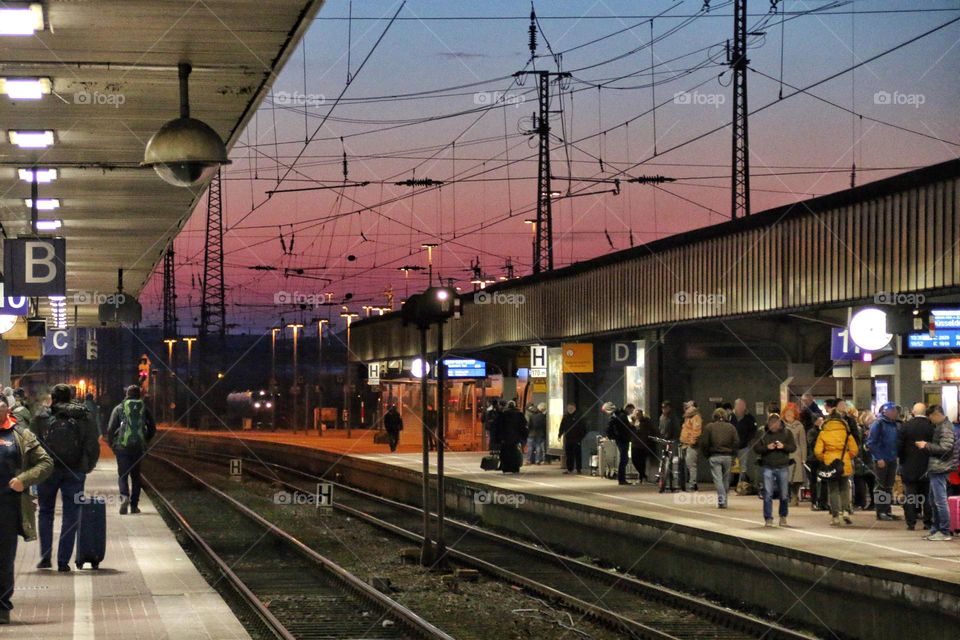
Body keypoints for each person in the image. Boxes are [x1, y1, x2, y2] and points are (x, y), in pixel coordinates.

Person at [31, 383, 100, 572]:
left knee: (45, 511)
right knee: (71, 515)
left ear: (53, 398)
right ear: (71, 397)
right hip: (75, 470)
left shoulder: (41, 416)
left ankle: (45, 558)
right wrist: (88, 466)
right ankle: (63, 562)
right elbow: (92, 443)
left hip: (48, 470)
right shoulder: (83, 416)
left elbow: (30, 444)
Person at [0, 400, 53, 625]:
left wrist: (24, 480)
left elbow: (46, 462)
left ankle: (2, 607)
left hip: (8, 508)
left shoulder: (21, 435)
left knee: (3, 559)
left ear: (7, 410)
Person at [107, 385, 157, 514]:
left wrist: (112, 444)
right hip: (138, 448)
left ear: (126, 395)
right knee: (136, 476)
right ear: (139, 395)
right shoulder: (144, 408)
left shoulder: (119, 408)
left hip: (122, 447)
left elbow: (111, 428)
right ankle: (134, 506)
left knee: (123, 476)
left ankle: (124, 497)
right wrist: (145, 440)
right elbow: (153, 428)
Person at [916, 405, 958, 541]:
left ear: (936, 414)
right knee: (933, 500)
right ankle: (936, 529)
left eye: (930, 417)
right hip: (937, 468)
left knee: (940, 501)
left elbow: (946, 448)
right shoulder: (943, 427)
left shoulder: (945, 428)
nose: (930, 420)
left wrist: (926, 445)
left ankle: (944, 531)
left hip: (941, 468)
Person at [814, 404, 859, 526]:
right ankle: (846, 511)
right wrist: (847, 457)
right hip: (844, 462)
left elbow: (817, 451)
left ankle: (835, 516)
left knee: (833, 490)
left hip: (830, 463)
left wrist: (825, 458)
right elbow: (854, 450)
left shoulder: (823, 433)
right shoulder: (846, 432)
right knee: (844, 488)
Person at [754, 413, 797, 526]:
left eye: (775, 423)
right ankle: (768, 518)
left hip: (783, 466)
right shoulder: (762, 432)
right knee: (767, 494)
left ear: (779, 423)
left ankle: (783, 516)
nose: (773, 426)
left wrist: (783, 446)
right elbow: (756, 448)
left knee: (784, 494)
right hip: (768, 466)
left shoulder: (787, 433)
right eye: (771, 423)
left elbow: (793, 448)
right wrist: (767, 448)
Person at [899, 403, 934, 531]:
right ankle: (928, 522)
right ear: (925, 412)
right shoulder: (932, 427)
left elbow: (899, 447)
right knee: (927, 496)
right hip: (928, 466)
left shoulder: (906, 426)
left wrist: (902, 460)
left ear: (913, 412)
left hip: (909, 466)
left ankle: (911, 523)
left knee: (910, 496)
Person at [698, 408, 738, 508]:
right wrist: (734, 455)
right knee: (726, 480)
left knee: (718, 480)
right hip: (728, 456)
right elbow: (736, 442)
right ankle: (724, 501)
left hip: (715, 456)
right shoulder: (731, 427)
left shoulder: (709, 427)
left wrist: (707, 454)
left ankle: (722, 501)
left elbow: (705, 443)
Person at [868, 402, 901, 521]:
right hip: (882, 459)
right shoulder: (878, 423)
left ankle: (887, 511)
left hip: (892, 459)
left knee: (888, 486)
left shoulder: (894, 424)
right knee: (880, 486)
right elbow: (871, 442)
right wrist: (878, 457)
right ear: (886, 411)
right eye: (893, 411)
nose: (896, 413)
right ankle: (880, 512)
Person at [780, 403, 806, 506]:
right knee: (785, 478)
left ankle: (795, 497)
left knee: (796, 478)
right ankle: (787, 497)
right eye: (787, 412)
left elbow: (802, 443)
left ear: (795, 414)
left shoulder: (799, 426)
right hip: (783, 453)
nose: (788, 414)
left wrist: (803, 457)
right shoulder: (780, 425)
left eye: (791, 412)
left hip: (796, 454)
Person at [729, 398, 758, 491]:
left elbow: (753, 430)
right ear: (736, 406)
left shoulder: (749, 417)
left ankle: (740, 486)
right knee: (729, 465)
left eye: (744, 406)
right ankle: (728, 484)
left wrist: (749, 440)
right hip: (731, 446)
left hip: (744, 445)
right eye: (741, 405)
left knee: (743, 467)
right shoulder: (729, 416)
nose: (743, 407)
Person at [603, 402, 632, 485]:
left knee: (624, 458)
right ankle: (621, 479)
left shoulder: (617, 415)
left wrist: (613, 436)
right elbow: (624, 428)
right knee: (624, 459)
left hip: (621, 439)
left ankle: (621, 478)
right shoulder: (621, 415)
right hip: (623, 439)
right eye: (631, 410)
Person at [497, 401, 527, 474]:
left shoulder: (503, 414)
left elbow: (499, 426)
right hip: (516, 438)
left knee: (505, 453)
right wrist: (523, 437)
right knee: (515, 453)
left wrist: (499, 438)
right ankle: (515, 467)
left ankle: (505, 467)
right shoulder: (520, 414)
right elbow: (523, 426)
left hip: (505, 438)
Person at [679, 401, 702, 491]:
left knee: (691, 465)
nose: (686, 407)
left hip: (691, 444)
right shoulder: (688, 417)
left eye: (688, 405)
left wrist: (692, 442)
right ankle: (691, 483)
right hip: (685, 443)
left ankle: (693, 483)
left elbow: (696, 430)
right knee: (688, 465)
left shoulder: (695, 417)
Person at [628, 408, 656, 483]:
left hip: (643, 444)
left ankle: (642, 476)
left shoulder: (646, 421)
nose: (638, 415)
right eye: (636, 414)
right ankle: (642, 475)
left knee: (642, 461)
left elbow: (651, 430)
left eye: (639, 414)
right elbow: (630, 430)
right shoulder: (633, 422)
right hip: (635, 443)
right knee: (634, 460)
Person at [558, 403, 585, 474]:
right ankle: (570, 468)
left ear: (575, 408)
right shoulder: (566, 416)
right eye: (568, 408)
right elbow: (562, 426)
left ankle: (579, 469)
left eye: (571, 408)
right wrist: (560, 434)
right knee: (569, 454)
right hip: (568, 438)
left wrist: (581, 437)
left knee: (577, 454)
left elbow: (583, 428)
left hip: (577, 438)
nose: (570, 409)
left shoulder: (579, 416)